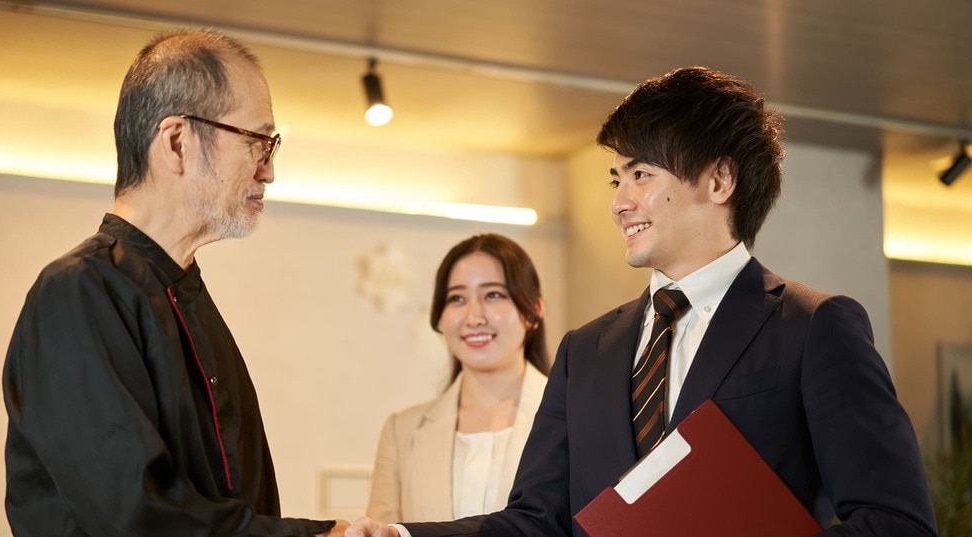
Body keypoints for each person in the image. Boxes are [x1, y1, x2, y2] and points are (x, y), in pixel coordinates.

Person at [347, 66, 938, 536]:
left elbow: (897, 522)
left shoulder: (814, 328)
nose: (619, 202)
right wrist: (402, 535)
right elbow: (535, 522)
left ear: (719, 181)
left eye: (641, 175)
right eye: (615, 179)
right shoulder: (585, 351)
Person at [2, 28, 346, 536]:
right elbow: (135, 515)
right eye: (257, 141)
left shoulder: (187, 295)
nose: (268, 170)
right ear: (178, 143)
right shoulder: (75, 293)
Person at [367, 233, 550, 523]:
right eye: (457, 298)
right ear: (440, 317)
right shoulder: (402, 431)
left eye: (493, 295)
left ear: (533, 312)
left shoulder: (573, 419)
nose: (474, 316)